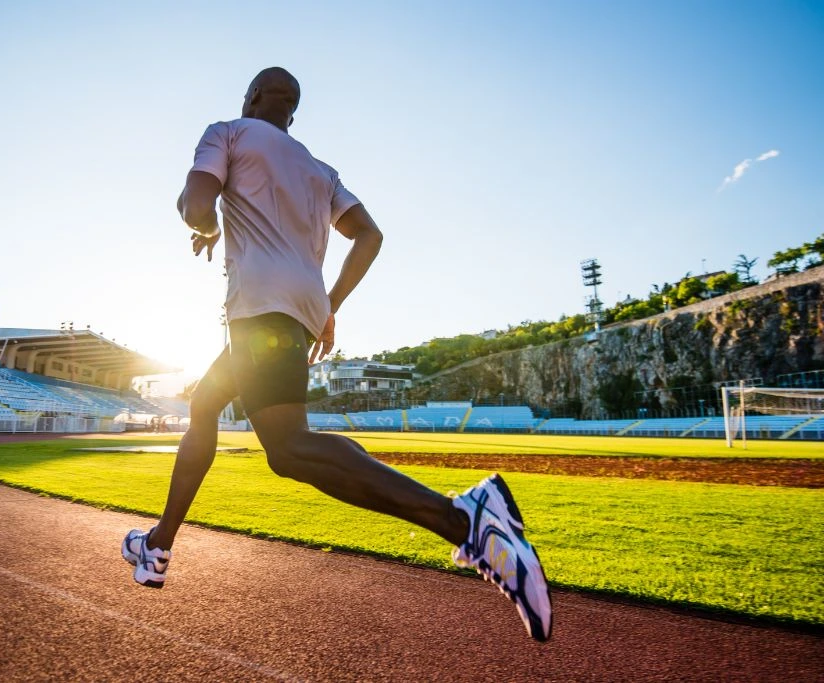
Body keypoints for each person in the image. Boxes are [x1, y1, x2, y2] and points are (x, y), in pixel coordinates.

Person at [122, 67, 552, 642]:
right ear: (292, 112)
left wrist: (202, 224)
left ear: (250, 99)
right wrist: (330, 304)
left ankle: (466, 519)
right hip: (293, 312)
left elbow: (195, 203)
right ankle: (157, 546)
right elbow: (369, 235)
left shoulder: (226, 132)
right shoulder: (321, 172)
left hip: (259, 310)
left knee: (289, 449)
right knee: (204, 407)